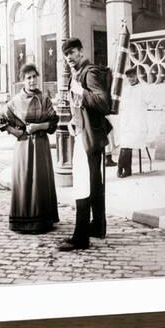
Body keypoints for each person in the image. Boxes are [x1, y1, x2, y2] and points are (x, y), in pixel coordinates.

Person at [58, 38, 112, 251]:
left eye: (72, 52)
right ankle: (97, 226)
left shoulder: (89, 72)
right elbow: (81, 108)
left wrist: (81, 91)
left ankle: (80, 236)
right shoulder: (78, 74)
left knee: (83, 183)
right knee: (93, 182)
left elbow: (103, 102)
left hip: (89, 137)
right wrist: (73, 120)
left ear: (81, 51)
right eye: (66, 54)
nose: (69, 57)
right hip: (86, 134)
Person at [0, 63, 59, 234]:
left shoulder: (44, 98)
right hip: (23, 147)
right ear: (22, 81)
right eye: (28, 78)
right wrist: (15, 132)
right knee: (25, 180)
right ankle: (23, 221)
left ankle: (43, 221)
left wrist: (38, 127)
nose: (32, 81)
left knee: (40, 180)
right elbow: (0, 120)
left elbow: (53, 123)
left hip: (40, 146)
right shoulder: (15, 101)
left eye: (34, 77)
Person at [117, 67, 152, 177]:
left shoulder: (143, 88)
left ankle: (121, 167)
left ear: (136, 76)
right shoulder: (126, 89)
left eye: (132, 76)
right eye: (128, 78)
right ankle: (126, 169)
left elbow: (149, 102)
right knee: (125, 143)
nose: (130, 79)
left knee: (127, 143)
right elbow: (123, 106)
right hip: (127, 122)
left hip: (138, 123)